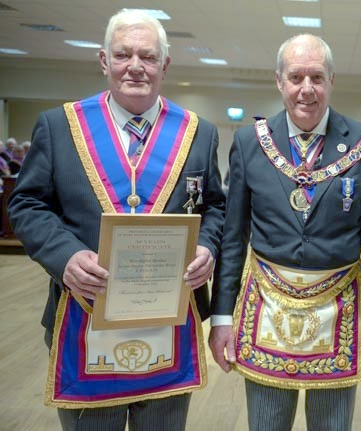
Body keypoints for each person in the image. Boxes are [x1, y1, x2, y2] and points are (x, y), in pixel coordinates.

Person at [8, 9, 225, 431]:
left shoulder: (199, 132)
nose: (135, 66)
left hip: (171, 323)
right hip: (83, 312)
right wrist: (66, 256)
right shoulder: (60, 126)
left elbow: (215, 206)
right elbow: (26, 204)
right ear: (104, 61)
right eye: (123, 55)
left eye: (148, 56)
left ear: (165, 64)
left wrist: (208, 246)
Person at [208, 33, 361, 431]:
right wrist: (221, 316)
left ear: (331, 81)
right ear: (279, 81)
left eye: (317, 77)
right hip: (266, 309)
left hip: (338, 311)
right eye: (296, 77)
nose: (306, 89)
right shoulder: (249, 143)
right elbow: (233, 238)